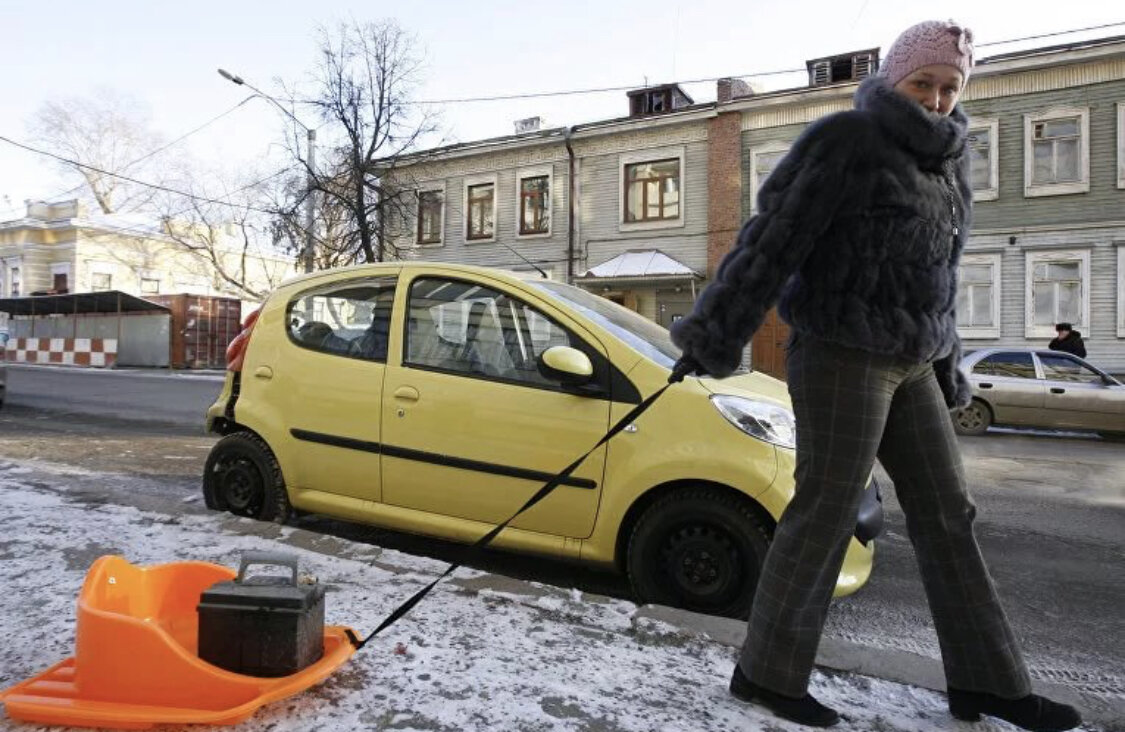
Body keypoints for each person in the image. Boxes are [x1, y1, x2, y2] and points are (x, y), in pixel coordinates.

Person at [669, 20, 1080, 731]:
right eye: (923, 83)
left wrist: (946, 364)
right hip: (840, 350)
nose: (937, 99)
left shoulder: (948, 162)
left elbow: (940, 277)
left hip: (914, 356)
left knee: (948, 514)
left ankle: (988, 684)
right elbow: (771, 240)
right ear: (894, 78)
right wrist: (715, 332)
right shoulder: (847, 141)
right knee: (826, 511)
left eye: (950, 86)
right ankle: (766, 673)